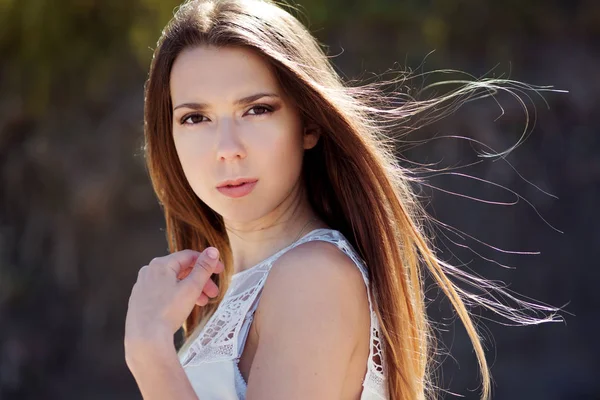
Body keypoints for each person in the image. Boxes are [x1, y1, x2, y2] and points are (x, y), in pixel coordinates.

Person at [124, 1, 559, 399]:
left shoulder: (313, 277)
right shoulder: (226, 294)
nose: (227, 147)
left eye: (257, 109)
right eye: (195, 117)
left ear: (308, 126)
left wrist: (149, 351)